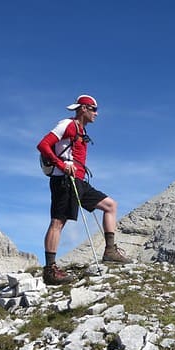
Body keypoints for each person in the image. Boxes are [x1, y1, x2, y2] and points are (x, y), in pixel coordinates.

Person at [37, 94, 130, 285]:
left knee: (110, 205)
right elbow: (43, 145)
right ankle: (50, 270)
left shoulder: (81, 130)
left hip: (78, 180)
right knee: (57, 222)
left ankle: (110, 251)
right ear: (84, 109)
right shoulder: (67, 124)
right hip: (63, 179)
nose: (97, 113)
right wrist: (62, 165)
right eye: (94, 109)